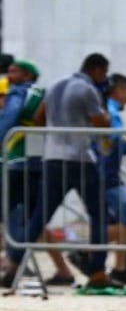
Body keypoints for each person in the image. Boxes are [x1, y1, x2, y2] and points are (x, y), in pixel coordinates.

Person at [2, 53, 114, 289]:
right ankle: (97, 272)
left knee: (39, 218)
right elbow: (101, 123)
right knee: (99, 215)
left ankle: (14, 263)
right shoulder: (86, 89)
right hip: (80, 159)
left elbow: (38, 117)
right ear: (97, 70)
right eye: (103, 74)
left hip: (52, 157)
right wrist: (104, 112)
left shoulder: (55, 85)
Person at [0, 59, 74, 286]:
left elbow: (9, 119)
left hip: (19, 161)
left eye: (14, 71)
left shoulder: (21, 92)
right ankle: (62, 271)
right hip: (39, 161)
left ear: (27, 75)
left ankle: (13, 266)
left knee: (14, 214)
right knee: (34, 221)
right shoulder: (44, 93)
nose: (9, 75)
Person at [96, 73, 126, 285]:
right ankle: (88, 246)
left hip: (107, 174)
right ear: (117, 91)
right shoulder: (111, 110)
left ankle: (121, 268)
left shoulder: (107, 108)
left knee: (121, 221)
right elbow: (117, 140)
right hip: (108, 176)